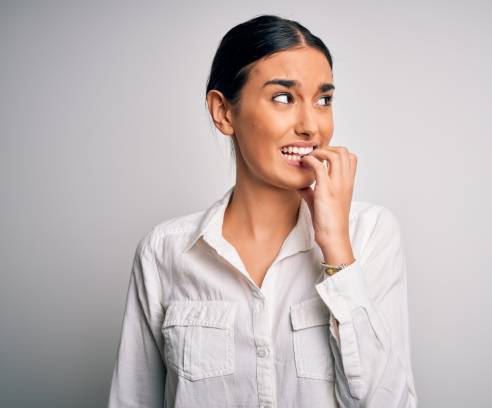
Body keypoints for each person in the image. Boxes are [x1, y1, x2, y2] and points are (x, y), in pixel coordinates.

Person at [107, 14, 417, 408]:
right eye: (284, 98)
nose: (311, 126)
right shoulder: (164, 251)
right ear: (223, 112)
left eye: (324, 100)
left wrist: (337, 247)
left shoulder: (370, 233)